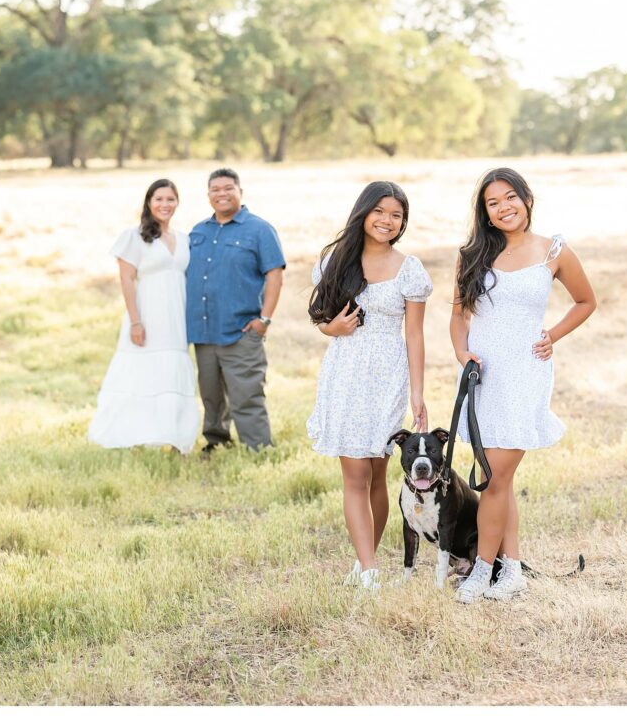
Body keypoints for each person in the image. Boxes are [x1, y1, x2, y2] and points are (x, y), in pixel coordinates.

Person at [449, 167, 597, 603]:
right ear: (486, 213)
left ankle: (482, 572)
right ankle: (511, 570)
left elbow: (586, 301)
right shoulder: (472, 254)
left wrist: (551, 334)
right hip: (484, 376)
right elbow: (459, 317)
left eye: (510, 197)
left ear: (526, 199)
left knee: (493, 476)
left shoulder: (554, 250)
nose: (503, 207)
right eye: (493, 203)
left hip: (525, 373)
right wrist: (462, 354)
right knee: (502, 479)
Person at [307, 181, 433, 592]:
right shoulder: (335, 261)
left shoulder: (409, 268)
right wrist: (333, 328)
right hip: (345, 371)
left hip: (387, 374)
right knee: (355, 474)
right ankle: (370, 569)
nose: (387, 220)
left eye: (396, 215)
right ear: (364, 212)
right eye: (380, 211)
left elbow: (414, 335)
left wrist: (417, 392)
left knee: (378, 473)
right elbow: (323, 320)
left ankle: (367, 566)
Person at [89, 179, 200, 454]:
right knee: (141, 375)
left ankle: (176, 438)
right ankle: (132, 435)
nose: (165, 204)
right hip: (147, 316)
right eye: (159, 199)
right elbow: (127, 280)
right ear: (149, 202)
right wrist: (136, 321)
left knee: (171, 375)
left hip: (175, 319)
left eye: (170, 199)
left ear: (178, 203)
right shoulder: (134, 237)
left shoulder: (184, 239)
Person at [186, 168, 285, 452]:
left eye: (228, 188)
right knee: (211, 395)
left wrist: (264, 319)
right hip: (204, 332)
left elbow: (275, 275)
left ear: (240, 192)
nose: (222, 194)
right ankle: (216, 443)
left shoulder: (259, 229)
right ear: (208, 196)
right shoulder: (198, 231)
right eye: (215, 190)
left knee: (246, 395)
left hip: (241, 331)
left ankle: (259, 449)